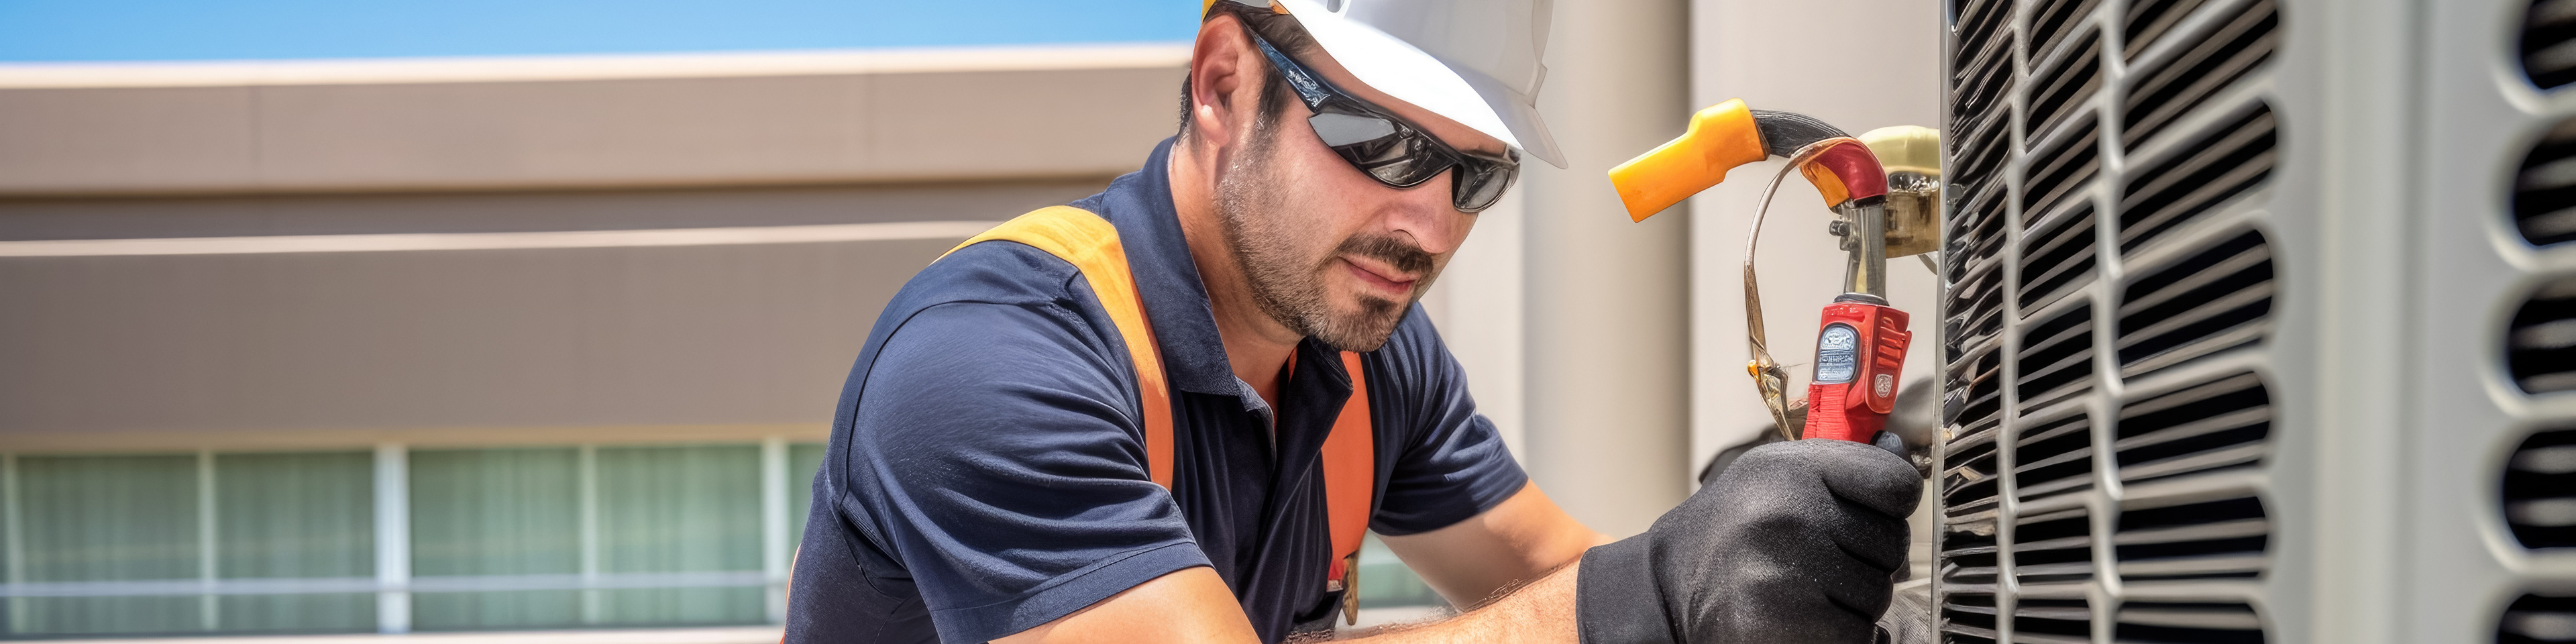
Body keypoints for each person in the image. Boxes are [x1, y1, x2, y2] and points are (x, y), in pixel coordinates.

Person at [785, 1, 1923, 643]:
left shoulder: (1366, 351)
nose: (1425, 223)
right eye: (1378, 145)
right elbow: (1613, 607)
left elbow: (1552, 571)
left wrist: (1752, 557)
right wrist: (1659, 590)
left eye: (1475, 178)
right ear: (1225, 84)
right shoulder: (984, 362)